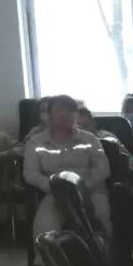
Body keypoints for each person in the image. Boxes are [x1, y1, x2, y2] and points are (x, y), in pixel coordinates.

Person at [23, 93, 112, 242]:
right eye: (59, 110)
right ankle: (48, 257)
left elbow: (103, 169)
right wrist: (51, 186)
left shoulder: (90, 139)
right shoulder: (35, 142)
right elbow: (30, 173)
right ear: (49, 115)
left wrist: (83, 187)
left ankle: (104, 254)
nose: (65, 114)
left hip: (90, 191)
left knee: (101, 220)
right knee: (44, 226)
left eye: (70, 110)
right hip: (55, 193)